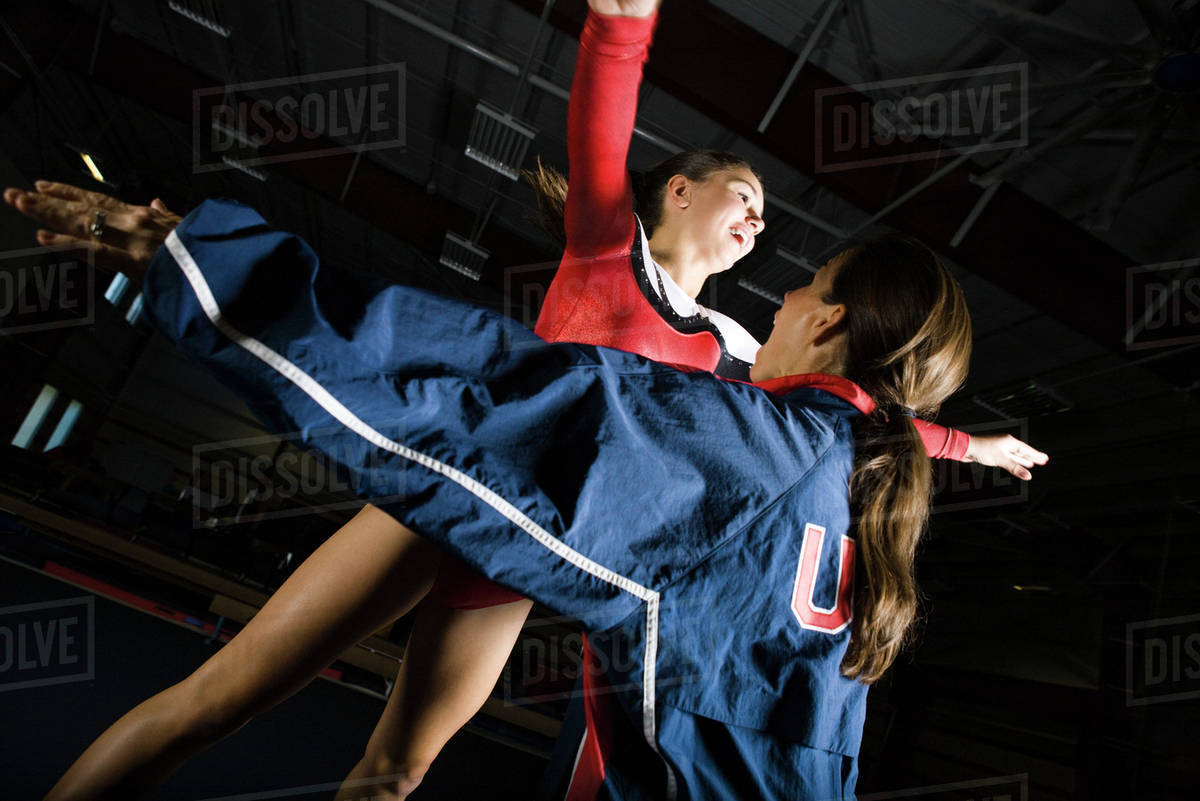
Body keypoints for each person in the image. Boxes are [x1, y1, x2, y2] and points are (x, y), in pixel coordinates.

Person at [6, 171, 1035, 800]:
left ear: (830, 322)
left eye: (803, 287)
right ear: (677, 194)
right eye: (746, 199)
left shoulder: (731, 391)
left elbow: (506, 389)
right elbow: (869, 422)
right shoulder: (620, 259)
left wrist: (218, 267)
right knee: (218, 700)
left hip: (536, 513)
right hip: (507, 507)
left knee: (396, 770)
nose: (772, 268)